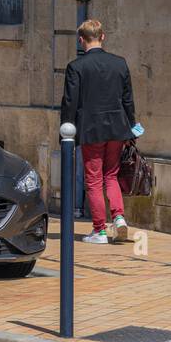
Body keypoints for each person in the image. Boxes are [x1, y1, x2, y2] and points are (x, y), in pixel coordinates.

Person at [60, 19, 139, 244]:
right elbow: (128, 100)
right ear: (102, 37)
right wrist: (131, 127)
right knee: (111, 175)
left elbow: (69, 102)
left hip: (91, 129)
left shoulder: (76, 67)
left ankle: (99, 230)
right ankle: (119, 217)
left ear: (81, 40)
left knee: (94, 180)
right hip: (117, 127)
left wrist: (66, 132)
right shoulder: (120, 63)